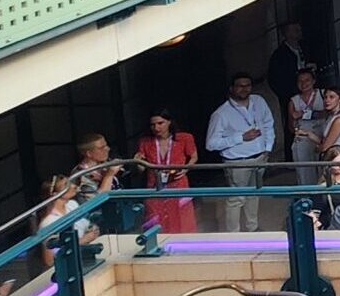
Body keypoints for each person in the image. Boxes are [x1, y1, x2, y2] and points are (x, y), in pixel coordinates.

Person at [206, 72, 275, 232]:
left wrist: (268, 147)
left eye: (247, 85)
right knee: (236, 199)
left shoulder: (259, 101)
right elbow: (211, 144)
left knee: (254, 194)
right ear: (232, 88)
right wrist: (240, 137)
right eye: (240, 86)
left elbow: (268, 123)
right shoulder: (221, 113)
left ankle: (253, 227)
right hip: (237, 162)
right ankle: (234, 234)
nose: (244, 89)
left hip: (260, 157)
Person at [136, 109, 198, 235]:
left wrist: (186, 168)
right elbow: (141, 169)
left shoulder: (184, 138)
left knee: (182, 217)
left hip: (178, 184)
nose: (156, 127)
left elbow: (194, 156)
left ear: (169, 122)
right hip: (155, 186)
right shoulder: (145, 142)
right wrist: (137, 162)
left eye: (160, 123)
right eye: (153, 125)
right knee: (155, 218)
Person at [266, 20, 311, 117]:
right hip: (292, 94)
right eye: (296, 30)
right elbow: (275, 79)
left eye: (299, 29)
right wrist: (288, 94)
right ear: (287, 33)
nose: (300, 32)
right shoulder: (279, 55)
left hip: (308, 91)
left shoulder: (304, 47)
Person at [290, 68, 328, 183]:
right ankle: (308, 198)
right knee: (304, 174)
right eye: (300, 81)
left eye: (307, 80)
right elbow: (291, 126)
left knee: (324, 171)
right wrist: (296, 129)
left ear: (313, 81)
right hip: (304, 140)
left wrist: (307, 114)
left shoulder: (323, 94)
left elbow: (329, 112)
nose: (304, 84)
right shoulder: (293, 101)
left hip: (322, 137)